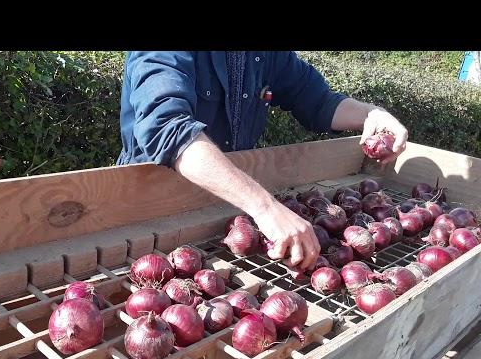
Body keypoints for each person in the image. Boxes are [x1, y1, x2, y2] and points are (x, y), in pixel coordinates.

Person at [117, 52, 408, 270]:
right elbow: (168, 128)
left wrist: (372, 115)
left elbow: (318, 101)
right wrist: (265, 207)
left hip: (230, 206)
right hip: (152, 212)